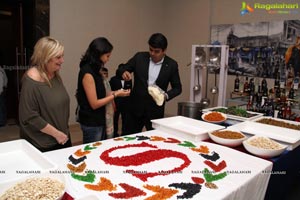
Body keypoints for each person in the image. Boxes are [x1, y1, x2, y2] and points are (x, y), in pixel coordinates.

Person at [116, 33, 182, 134]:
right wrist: (124, 72)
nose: (152, 53)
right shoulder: (139, 57)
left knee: (155, 140)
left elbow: (178, 88)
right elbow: (122, 68)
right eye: (150, 49)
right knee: (128, 138)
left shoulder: (172, 65)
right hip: (135, 109)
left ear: (164, 50)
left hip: (155, 111)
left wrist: (165, 96)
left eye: (157, 51)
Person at [19, 37, 71, 152]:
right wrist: (57, 134)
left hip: (62, 137)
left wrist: (62, 133)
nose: (62, 60)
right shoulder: (31, 81)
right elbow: (29, 116)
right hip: (43, 144)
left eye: (62, 56)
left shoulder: (55, 75)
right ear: (45, 58)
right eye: (58, 57)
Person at [76, 37, 130, 143]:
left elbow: (101, 93)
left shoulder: (96, 70)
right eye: (107, 56)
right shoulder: (88, 72)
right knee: (92, 153)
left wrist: (117, 92)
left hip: (99, 120)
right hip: (92, 122)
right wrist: (115, 95)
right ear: (98, 54)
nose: (108, 59)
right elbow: (94, 103)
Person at [109, 70, 132, 137]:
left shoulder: (128, 79)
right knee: (115, 119)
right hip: (116, 102)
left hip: (126, 102)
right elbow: (110, 90)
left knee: (125, 118)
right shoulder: (113, 79)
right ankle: (115, 133)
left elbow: (130, 89)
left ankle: (124, 133)